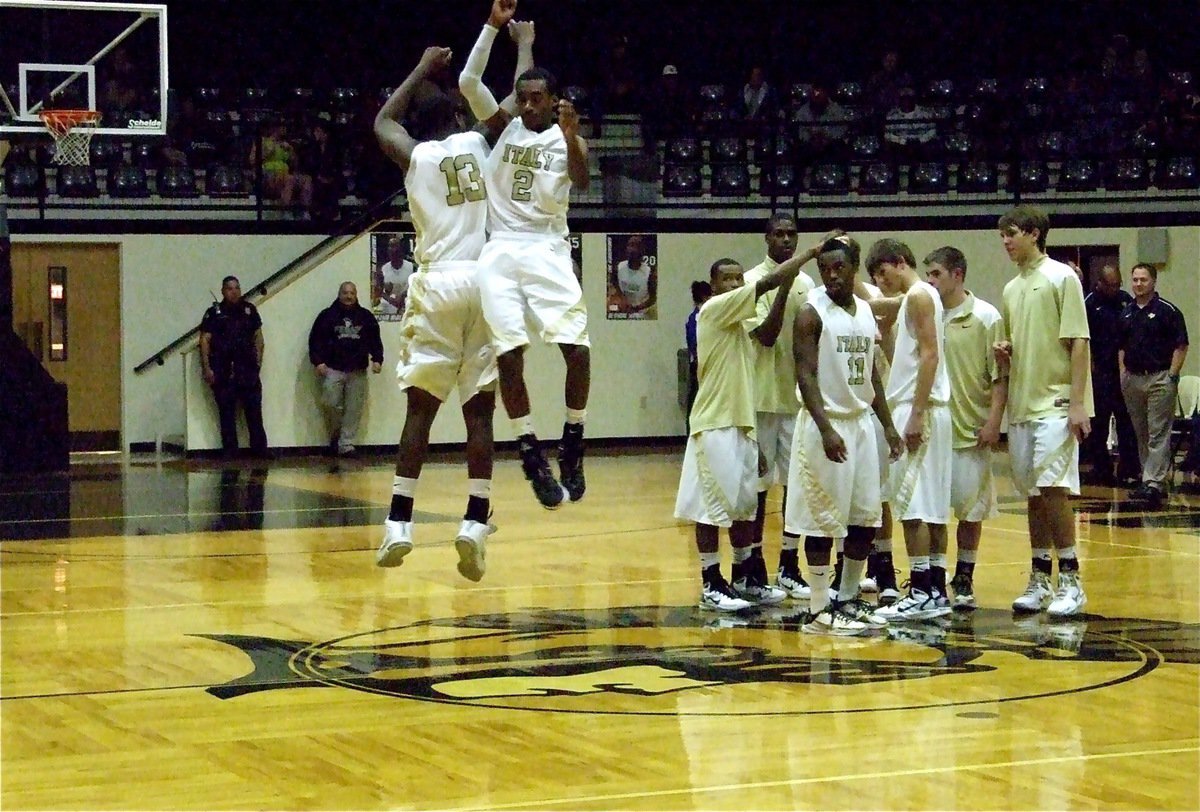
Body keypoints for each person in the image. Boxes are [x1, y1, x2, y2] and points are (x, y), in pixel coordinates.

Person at [373, 28, 534, 580]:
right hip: (483, 283)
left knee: (421, 409)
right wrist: (524, 43)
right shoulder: (477, 143)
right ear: (459, 118)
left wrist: (420, 67)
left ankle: (399, 521)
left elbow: (381, 122)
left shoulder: (415, 158)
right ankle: (473, 519)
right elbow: (519, 98)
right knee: (479, 413)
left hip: (438, 281)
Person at [459, 0, 591, 509]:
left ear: (555, 101)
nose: (529, 104)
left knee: (576, 349)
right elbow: (475, 83)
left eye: (539, 98)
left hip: (548, 248)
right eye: (524, 98)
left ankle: (573, 440)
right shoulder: (506, 125)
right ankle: (530, 450)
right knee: (508, 355)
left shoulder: (568, 139)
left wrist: (573, 133)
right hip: (500, 250)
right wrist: (509, 36)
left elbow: (580, 181)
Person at [675, 240, 831, 612]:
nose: (732, 285)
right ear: (713, 287)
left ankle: (747, 577)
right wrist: (807, 256)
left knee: (745, 508)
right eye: (725, 280)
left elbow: (769, 333)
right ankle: (712, 582)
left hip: (742, 423)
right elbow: (763, 284)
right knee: (710, 509)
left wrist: (784, 289)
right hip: (714, 424)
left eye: (735, 279)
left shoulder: (741, 320)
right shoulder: (712, 311)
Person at [786, 236, 902, 634]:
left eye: (840, 268)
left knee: (865, 518)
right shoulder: (810, 312)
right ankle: (819, 610)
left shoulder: (866, 312)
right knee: (822, 521)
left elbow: (871, 372)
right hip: (827, 423)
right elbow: (805, 373)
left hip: (861, 423)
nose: (832, 275)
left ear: (854, 269)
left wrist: (886, 424)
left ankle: (848, 599)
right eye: (825, 269)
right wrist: (824, 428)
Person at [995, 205, 1092, 618]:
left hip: (1053, 405)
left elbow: (1078, 342)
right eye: (1003, 236)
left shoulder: (1062, 277)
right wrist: (1007, 351)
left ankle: (1070, 579)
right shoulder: (1011, 288)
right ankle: (1039, 577)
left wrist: (1077, 403)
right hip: (1021, 405)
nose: (1005, 242)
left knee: (1054, 491)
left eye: (1012, 234)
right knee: (1033, 494)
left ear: (1034, 234)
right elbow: (1026, 343)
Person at [861, 239, 953, 622]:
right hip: (928, 408)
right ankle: (933, 587)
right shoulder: (919, 296)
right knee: (930, 505)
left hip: (921, 409)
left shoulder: (917, 296)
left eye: (881, 273)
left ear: (899, 262)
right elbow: (911, 350)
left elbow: (930, 355)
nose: (880, 282)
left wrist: (915, 413)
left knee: (912, 505)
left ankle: (919, 590)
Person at [923, 247, 1008, 610]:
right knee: (933, 511)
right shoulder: (926, 314)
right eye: (928, 274)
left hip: (971, 428)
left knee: (970, 511)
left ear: (958, 275)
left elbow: (1000, 376)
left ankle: (966, 575)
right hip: (933, 432)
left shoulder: (987, 317)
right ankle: (935, 577)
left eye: (937, 274)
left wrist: (994, 421)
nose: (930, 281)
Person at [739, 213, 815, 600]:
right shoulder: (753, 281)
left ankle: (789, 564)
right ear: (767, 238)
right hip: (761, 398)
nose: (787, 240)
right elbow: (767, 335)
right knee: (758, 487)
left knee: (797, 486)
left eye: (792, 235)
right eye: (779, 234)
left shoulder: (809, 283)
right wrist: (784, 286)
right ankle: (752, 565)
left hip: (796, 400)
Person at [1119, 263, 1189, 507]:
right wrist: (1123, 373)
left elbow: (1181, 345)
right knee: (1142, 432)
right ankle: (1147, 479)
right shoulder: (1126, 312)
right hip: (1133, 378)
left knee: (1158, 431)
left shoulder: (1168, 311)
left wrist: (1172, 375)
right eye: (1135, 280)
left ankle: (1153, 482)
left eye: (1143, 280)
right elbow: (1121, 346)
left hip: (1159, 377)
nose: (1139, 284)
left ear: (1153, 282)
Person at [308, 281, 383, 457]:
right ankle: (337, 436)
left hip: (357, 370)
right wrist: (318, 361)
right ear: (339, 294)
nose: (348, 296)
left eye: (352, 293)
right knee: (330, 403)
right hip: (333, 369)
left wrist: (377, 359)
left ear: (356, 295)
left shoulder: (365, 317)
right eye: (345, 293)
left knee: (354, 409)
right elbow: (315, 340)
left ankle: (346, 445)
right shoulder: (327, 316)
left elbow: (375, 340)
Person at [199, 275, 269, 458]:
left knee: (254, 412)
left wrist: (258, 361)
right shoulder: (214, 313)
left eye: (237, 288)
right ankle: (230, 452)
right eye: (230, 288)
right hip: (223, 369)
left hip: (247, 368)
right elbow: (205, 341)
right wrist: (207, 368)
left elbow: (258, 338)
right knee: (227, 414)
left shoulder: (249, 310)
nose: (234, 291)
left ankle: (260, 450)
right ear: (222, 291)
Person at [1083, 264, 1139, 486]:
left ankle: (1129, 469)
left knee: (1127, 421)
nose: (1115, 289)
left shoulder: (1126, 301)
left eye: (1118, 284)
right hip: (1101, 372)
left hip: (1123, 370)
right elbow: (1083, 339)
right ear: (1100, 283)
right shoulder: (1090, 303)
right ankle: (1101, 469)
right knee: (1100, 423)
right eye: (1111, 285)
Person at [684, 280, 711, 429]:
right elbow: (695, 344)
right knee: (696, 404)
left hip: (702, 364)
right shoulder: (696, 318)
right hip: (700, 366)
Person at [612, 234, 654, 313]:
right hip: (623, 310)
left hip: (642, 312)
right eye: (630, 245)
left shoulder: (649, 272)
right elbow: (615, 284)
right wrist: (621, 297)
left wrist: (636, 308)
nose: (632, 249)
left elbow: (653, 298)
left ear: (642, 250)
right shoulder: (619, 267)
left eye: (636, 245)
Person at [377, 236, 415, 316]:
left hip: (408, 302)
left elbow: (417, 287)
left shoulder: (412, 267)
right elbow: (379, 291)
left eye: (395, 246)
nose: (392, 249)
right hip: (390, 304)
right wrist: (390, 299)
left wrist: (404, 296)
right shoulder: (383, 269)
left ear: (401, 250)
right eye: (390, 246)